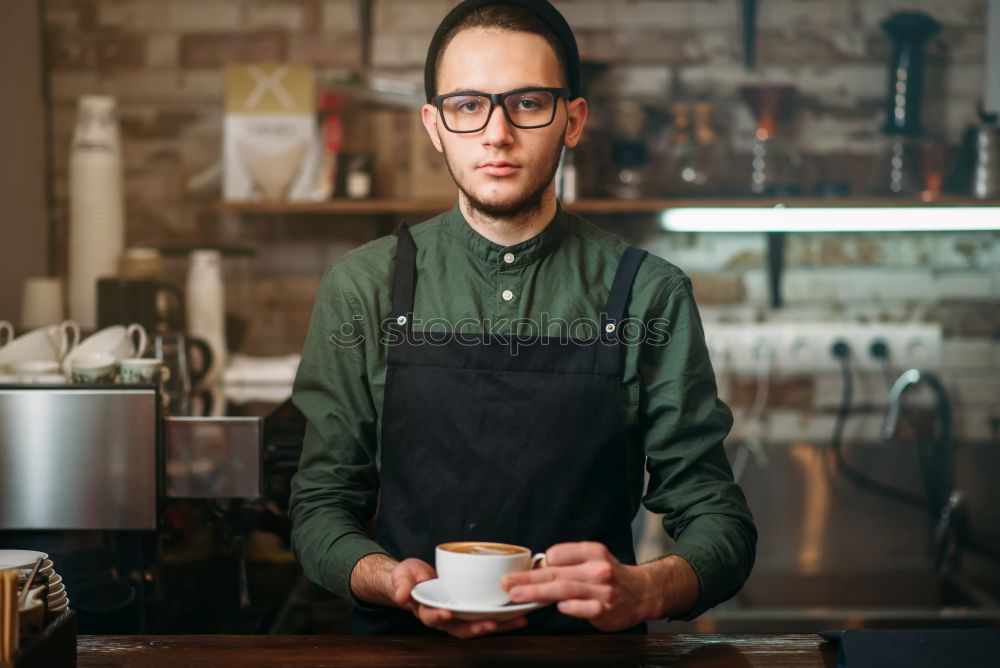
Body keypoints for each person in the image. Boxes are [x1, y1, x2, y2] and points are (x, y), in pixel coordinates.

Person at [289, 0, 756, 638]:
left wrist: (645, 589)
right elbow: (319, 509)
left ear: (572, 120)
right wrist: (387, 578)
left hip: (591, 659)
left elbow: (718, 519)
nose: (496, 133)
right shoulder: (362, 288)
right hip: (405, 653)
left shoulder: (648, 292)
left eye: (528, 103)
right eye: (467, 105)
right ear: (434, 124)